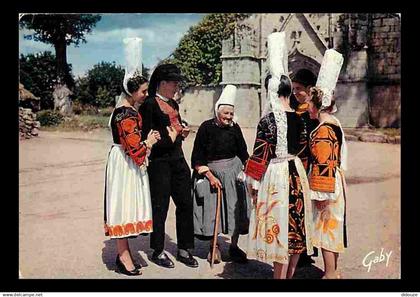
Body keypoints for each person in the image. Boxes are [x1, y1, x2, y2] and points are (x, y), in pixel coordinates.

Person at [244, 32, 314, 279]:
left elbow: (260, 153)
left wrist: (253, 184)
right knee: (294, 229)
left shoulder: (268, 121)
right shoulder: (301, 119)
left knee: (279, 226)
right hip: (297, 176)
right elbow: (305, 149)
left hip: (276, 176)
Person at [104, 37, 161, 276]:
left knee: (126, 206)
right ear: (131, 91)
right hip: (125, 163)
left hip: (124, 161)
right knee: (123, 206)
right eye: (143, 91)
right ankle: (123, 255)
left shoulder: (129, 110)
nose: (146, 95)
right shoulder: (125, 113)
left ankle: (124, 253)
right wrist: (149, 141)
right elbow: (134, 148)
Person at [139, 64, 198, 268]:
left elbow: (174, 129)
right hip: (160, 163)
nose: (176, 87)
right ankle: (157, 250)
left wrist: (181, 133)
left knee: (185, 204)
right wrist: (169, 138)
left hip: (178, 160)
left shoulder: (173, 103)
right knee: (160, 207)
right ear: (162, 83)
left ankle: (184, 248)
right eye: (174, 83)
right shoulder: (149, 104)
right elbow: (147, 137)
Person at [191, 85, 250, 264]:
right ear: (218, 111)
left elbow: (243, 152)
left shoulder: (235, 127)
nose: (229, 117)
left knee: (235, 211)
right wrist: (210, 177)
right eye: (226, 113)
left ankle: (233, 247)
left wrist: (247, 171)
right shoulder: (205, 128)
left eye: (231, 114)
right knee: (212, 213)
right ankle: (214, 247)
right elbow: (197, 158)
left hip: (233, 174)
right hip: (212, 174)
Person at [307, 49, 348, 279]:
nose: (308, 108)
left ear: (318, 105)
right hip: (336, 185)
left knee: (325, 231)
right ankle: (333, 271)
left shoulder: (323, 130)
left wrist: (321, 196)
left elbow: (324, 162)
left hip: (327, 187)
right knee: (333, 228)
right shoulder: (335, 123)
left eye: (310, 104)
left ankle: (330, 275)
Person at [291, 68, 320, 267]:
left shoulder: (316, 113)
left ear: (310, 90)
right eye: (293, 89)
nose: (295, 93)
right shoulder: (294, 109)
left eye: (299, 89)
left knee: (312, 210)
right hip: (297, 166)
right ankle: (299, 251)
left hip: (312, 166)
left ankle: (309, 249)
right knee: (298, 209)